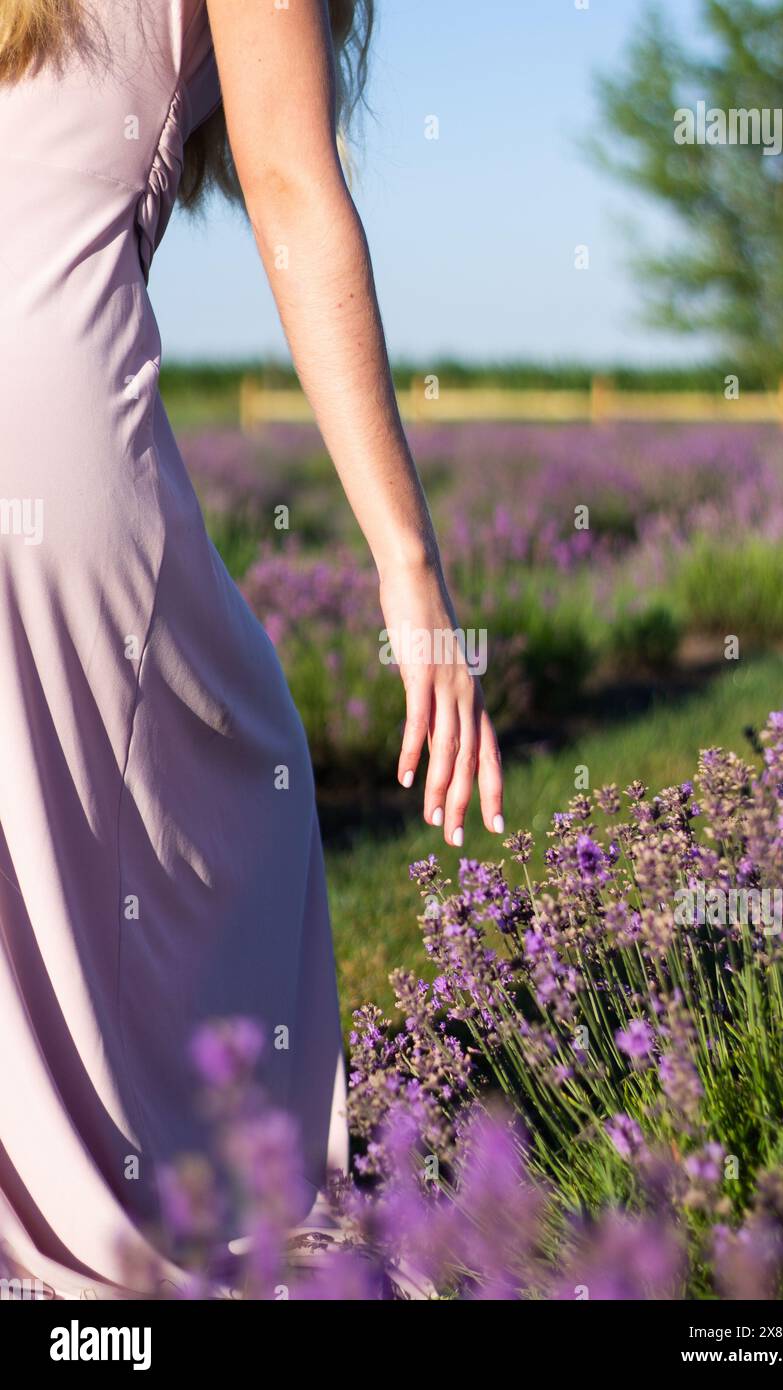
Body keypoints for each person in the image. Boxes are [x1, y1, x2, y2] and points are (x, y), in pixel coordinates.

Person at [0, 0, 503, 1296]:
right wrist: (409, 568)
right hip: (43, 401)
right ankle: (178, 1210)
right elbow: (288, 185)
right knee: (248, 768)